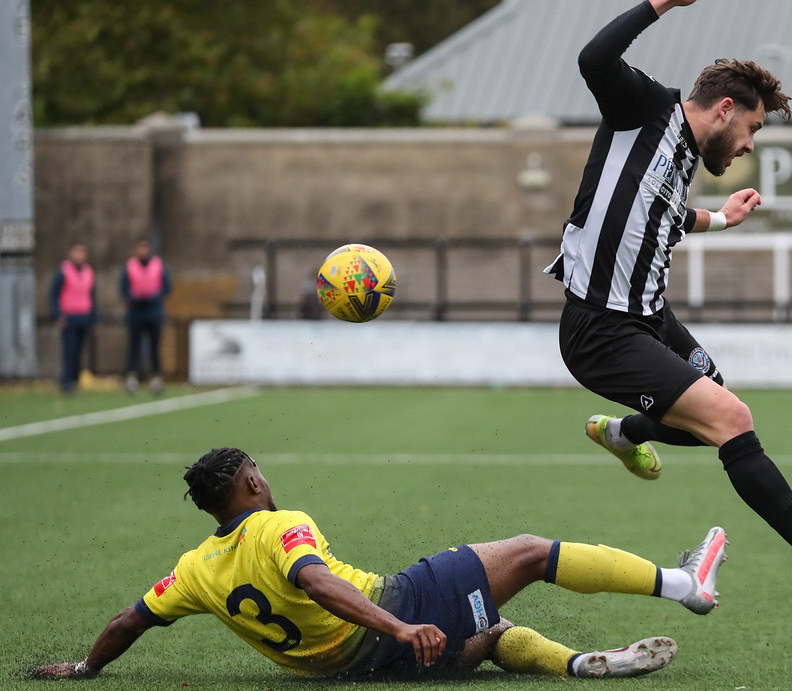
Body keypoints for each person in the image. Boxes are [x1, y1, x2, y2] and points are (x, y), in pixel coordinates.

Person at [543, 0, 792, 598]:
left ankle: (622, 433)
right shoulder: (643, 109)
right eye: (753, 128)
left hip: (651, 319)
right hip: (601, 327)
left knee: (712, 404)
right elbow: (594, 57)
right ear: (725, 109)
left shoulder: (680, 163)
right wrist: (668, 1)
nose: (750, 145)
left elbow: (664, 216)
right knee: (730, 417)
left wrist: (719, 220)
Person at [31, 447, 729, 681]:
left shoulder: (193, 568)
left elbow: (130, 620)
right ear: (247, 485)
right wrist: (398, 626)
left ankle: (579, 664)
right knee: (527, 553)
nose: (265, 478)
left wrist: (86, 669)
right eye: (259, 471)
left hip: (351, 671)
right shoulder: (281, 525)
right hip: (395, 618)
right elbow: (319, 583)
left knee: (488, 637)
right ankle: (685, 584)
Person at [120, 237, 172, 395]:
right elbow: (123, 288)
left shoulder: (158, 265)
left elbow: (167, 287)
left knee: (154, 347)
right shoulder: (129, 266)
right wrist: (133, 296)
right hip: (136, 311)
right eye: (140, 248)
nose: (143, 251)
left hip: (153, 311)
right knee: (134, 346)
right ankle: (132, 378)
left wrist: (155, 296)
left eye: (145, 247)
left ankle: (156, 378)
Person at [48, 243, 97, 394]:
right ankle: (66, 382)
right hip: (69, 317)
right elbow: (54, 295)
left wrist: (94, 317)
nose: (79, 255)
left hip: (84, 316)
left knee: (79, 352)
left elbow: (92, 296)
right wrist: (58, 314)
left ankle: (75, 382)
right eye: (77, 252)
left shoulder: (89, 271)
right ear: (71, 253)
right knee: (69, 350)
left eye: (82, 252)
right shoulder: (63, 271)